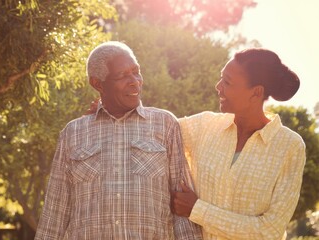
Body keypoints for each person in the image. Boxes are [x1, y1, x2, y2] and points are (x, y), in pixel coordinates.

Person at [34, 41, 202, 239]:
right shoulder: (73, 133)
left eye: (136, 71)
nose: (134, 81)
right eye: (122, 76)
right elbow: (55, 213)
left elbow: (182, 209)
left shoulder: (165, 124)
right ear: (97, 83)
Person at [172, 48, 305, 240]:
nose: (218, 86)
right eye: (221, 78)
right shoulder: (203, 126)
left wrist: (197, 209)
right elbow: (158, 131)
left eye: (227, 82)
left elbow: (270, 230)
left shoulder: (290, 146)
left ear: (256, 93)